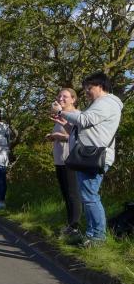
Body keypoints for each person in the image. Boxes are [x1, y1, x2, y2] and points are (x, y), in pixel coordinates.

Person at [52, 72, 123, 246]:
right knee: (87, 196)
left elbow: (84, 120)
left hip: (93, 156)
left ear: (100, 86)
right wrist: (67, 125)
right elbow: (85, 129)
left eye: (89, 88)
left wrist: (61, 111)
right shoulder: (100, 103)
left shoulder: (106, 103)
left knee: (90, 196)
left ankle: (98, 237)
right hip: (89, 156)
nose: (86, 92)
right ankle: (91, 235)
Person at [45, 88, 82, 238]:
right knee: (66, 194)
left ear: (73, 99)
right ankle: (70, 225)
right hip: (60, 160)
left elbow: (78, 137)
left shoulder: (77, 115)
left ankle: (75, 227)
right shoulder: (60, 116)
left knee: (73, 194)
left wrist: (58, 136)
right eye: (59, 96)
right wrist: (52, 136)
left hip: (71, 160)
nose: (60, 99)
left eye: (65, 96)